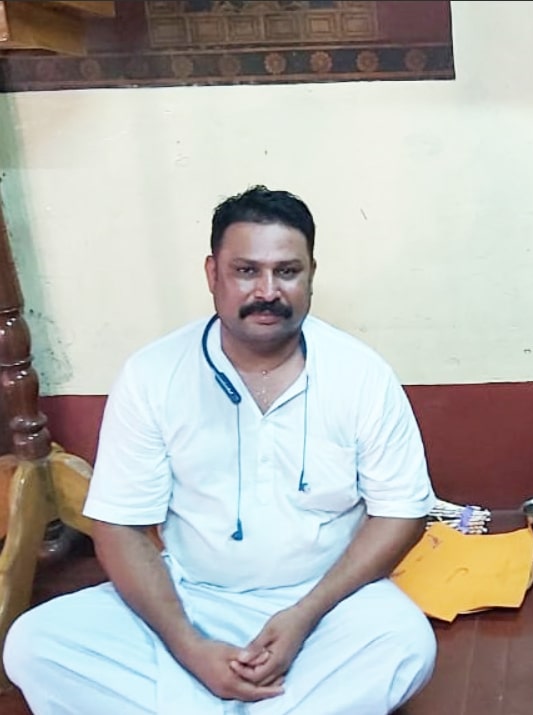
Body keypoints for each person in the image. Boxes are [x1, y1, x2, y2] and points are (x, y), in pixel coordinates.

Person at [3, 186, 438, 713]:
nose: (268, 291)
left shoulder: (361, 375)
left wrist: (304, 615)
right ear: (213, 274)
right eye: (246, 271)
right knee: (35, 643)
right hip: (191, 599)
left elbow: (402, 512)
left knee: (404, 643)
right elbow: (119, 527)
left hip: (325, 606)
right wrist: (190, 648)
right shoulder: (154, 374)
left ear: (311, 275)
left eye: (287, 271)